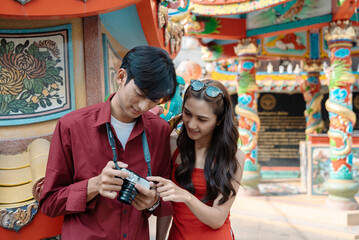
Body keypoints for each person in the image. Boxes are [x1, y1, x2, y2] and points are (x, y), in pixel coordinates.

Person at [40, 46, 177, 240]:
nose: (143, 106)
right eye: (139, 93)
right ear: (121, 77)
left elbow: (165, 199)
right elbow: (49, 203)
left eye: (154, 101)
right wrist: (94, 185)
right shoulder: (72, 126)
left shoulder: (159, 131)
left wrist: (153, 201)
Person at [148, 79, 245, 240]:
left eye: (202, 119)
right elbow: (167, 204)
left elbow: (217, 219)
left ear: (219, 120)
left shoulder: (233, 156)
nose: (191, 124)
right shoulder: (173, 144)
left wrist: (186, 196)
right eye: (187, 113)